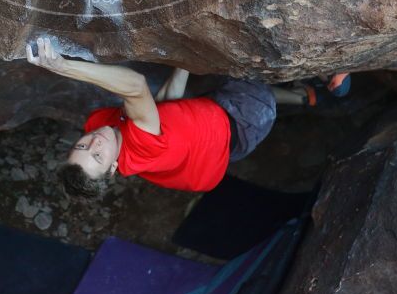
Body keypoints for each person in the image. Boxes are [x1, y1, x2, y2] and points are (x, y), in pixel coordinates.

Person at [25, 37, 277, 198]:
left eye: (82, 146)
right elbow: (136, 86)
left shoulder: (100, 127)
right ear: (113, 168)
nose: (94, 142)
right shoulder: (141, 149)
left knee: (216, 58)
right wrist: (62, 66)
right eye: (98, 156)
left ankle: (300, 96)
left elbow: (162, 110)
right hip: (244, 116)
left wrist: (188, 59)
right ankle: (303, 90)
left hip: (213, 128)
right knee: (253, 51)